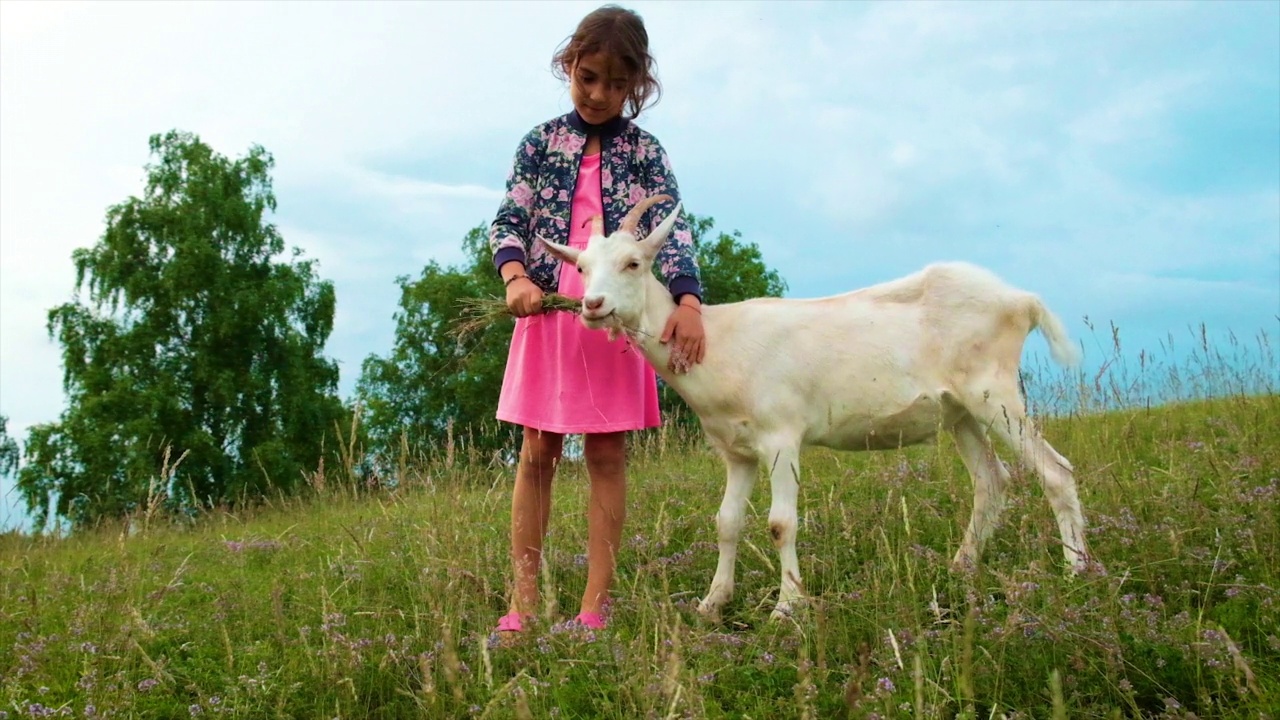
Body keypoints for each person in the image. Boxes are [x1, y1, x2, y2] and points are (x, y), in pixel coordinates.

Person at [487, 4, 706, 634]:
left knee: (607, 455)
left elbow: (675, 231)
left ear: (638, 84)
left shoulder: (646, 152)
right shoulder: (539, 143)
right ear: (569, 66)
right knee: (536, 454)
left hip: (617, 323)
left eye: (616, 84)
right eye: (588, 78)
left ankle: (593, 608)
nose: (599, 94)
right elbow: (509, 221)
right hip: (551, 315)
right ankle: (523, 603)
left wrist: (688, 303)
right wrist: (517, 278)